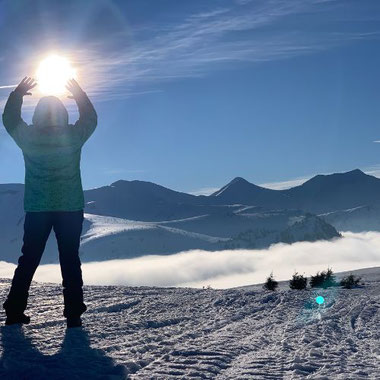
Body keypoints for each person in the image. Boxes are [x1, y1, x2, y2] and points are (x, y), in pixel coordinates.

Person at [2, 77, 97, 328]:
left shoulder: (29, 138)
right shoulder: (73, 136)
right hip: (69, 207)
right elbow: (91, 120)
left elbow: (10, 120)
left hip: (37, 208)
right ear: (63, 115)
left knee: (29, 258)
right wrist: (78, 93)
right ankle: (73, 313)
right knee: (70, 258)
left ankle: (14, 311)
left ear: (38, 116)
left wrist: (18, 94)